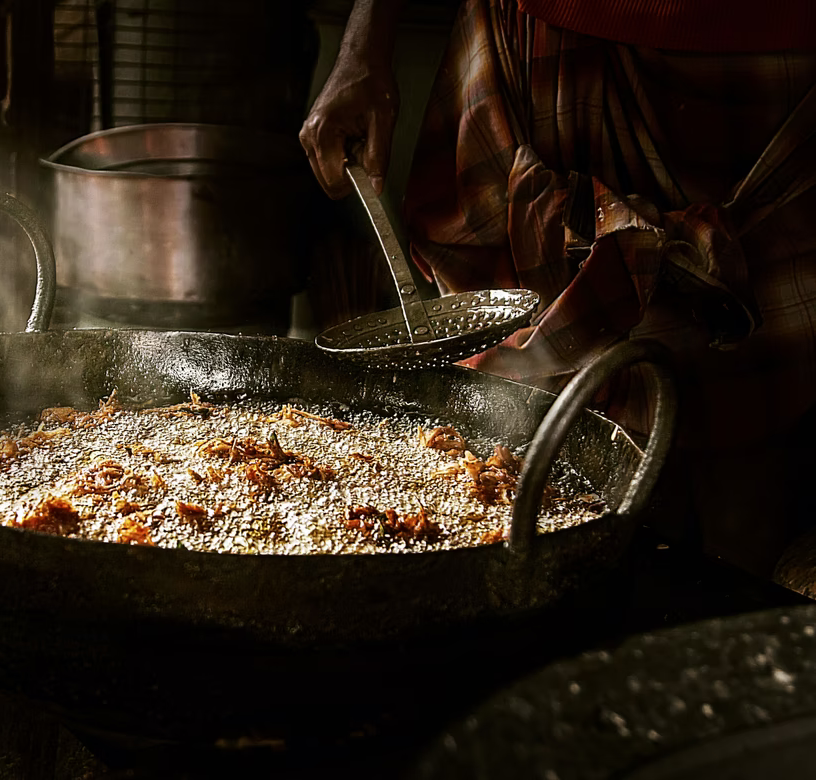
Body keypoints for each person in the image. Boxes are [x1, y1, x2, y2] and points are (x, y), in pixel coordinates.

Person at [301, 0, 816, 577]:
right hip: (554, 35)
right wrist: (363, 48)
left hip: (762, 52)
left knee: (748, 493)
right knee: (565, 492)